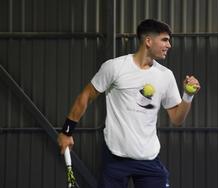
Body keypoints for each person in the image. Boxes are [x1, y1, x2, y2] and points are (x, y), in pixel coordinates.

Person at [57, 19, 200, 188]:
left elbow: (177, 119)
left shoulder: (166, 76)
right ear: (148, 41)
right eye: (164, 39)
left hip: (149, 160)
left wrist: (188, 96)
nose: (169, 45)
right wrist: (67, 131)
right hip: (115, 160)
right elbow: (86, 96)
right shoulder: (115, 67)